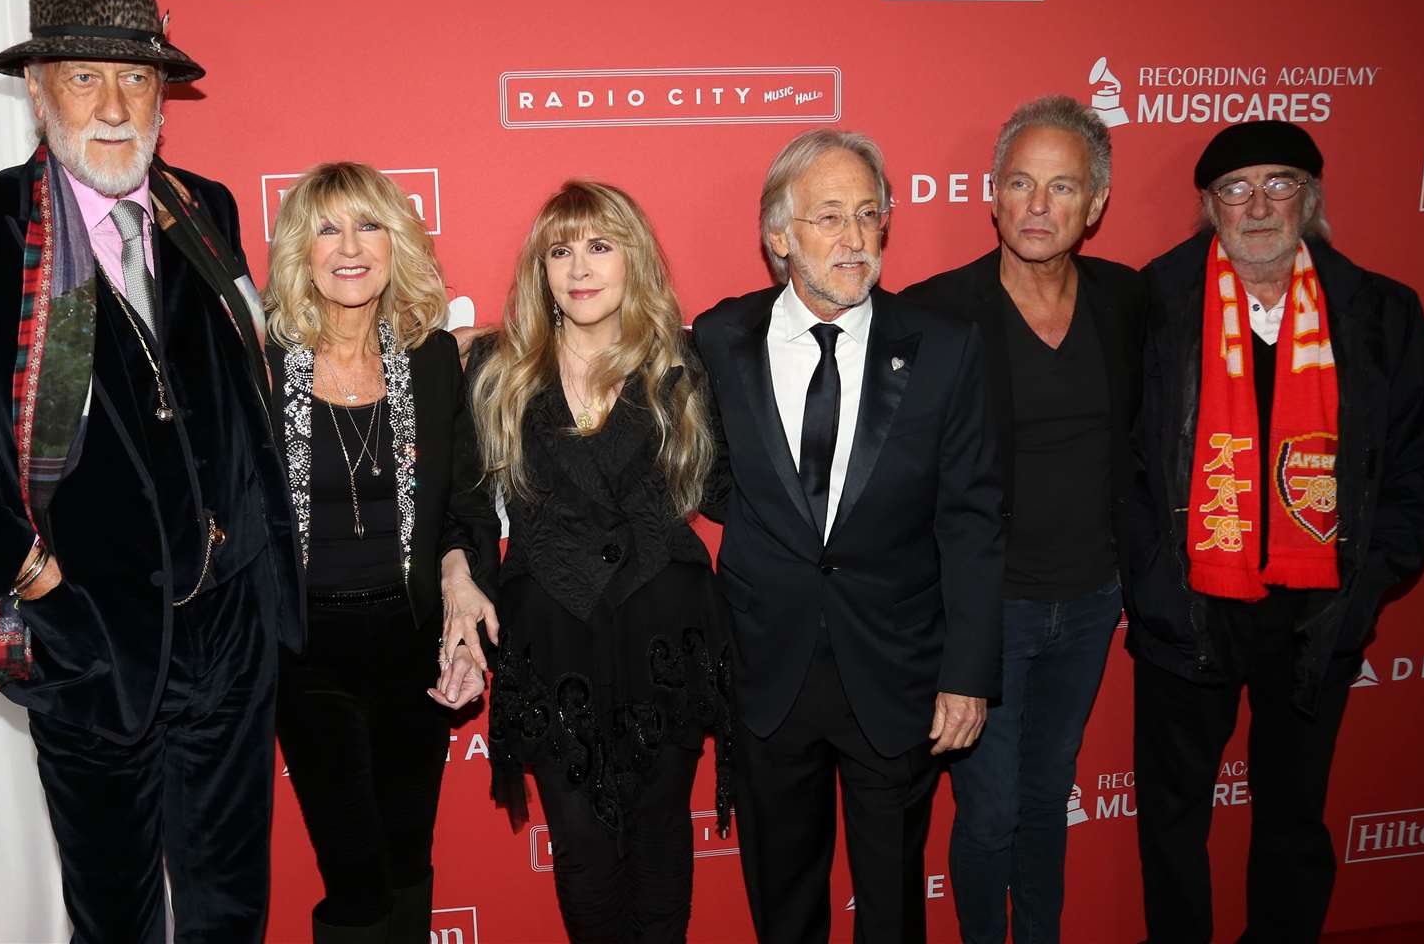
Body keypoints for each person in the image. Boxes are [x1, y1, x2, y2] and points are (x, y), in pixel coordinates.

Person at [0, 0, 300, 940]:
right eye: (85, 77)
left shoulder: (204, 211)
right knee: (118, 922)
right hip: (95, 643)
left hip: (229, 639)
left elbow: (232, 403)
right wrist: (25, 570)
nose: (114, 103)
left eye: (136, 78)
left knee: (232, 913)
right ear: (38, 90)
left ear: (164, 97)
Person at [1127, 119, 1424, 944]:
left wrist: (1370, 576)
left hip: (1316, 613)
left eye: (1281, 183)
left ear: (1311, 199)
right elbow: (1114, 460)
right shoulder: (1153, 304)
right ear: (1210, 207)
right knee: (1171, 823)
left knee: (1292, 821)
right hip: (1188, 606)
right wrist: (1151, 577)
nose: (1259, 205)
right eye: (1237, 188)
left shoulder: (1379, 314)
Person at [692, 129, 1004, 943]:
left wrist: (967, 674)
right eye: (829, 217)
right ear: (777, 236)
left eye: (869, 215)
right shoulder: (721, 340)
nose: (855, 238)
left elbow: (972, 519)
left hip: (897, 670)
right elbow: (709, 476)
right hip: (768, 669)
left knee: (894, 902)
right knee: (784, 898)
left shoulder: (942, 347)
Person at [903, 96, 1142, 944]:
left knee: (1048, 800)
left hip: (1089, 605)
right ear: (992, 195)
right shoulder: (933, 313)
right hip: (984, 613)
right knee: (991, 809)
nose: (1039, 206)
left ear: (1096, 204)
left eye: (1063, 187)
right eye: (1021, 184)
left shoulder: (1128, 302)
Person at [472, 180, 732, 943]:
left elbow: (728, 488)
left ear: (633, 259)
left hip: (663, 638)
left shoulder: (684, 362)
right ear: (540, 271)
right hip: (555, 644)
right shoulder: (496, 370)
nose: (579, 268)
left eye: (599, 246)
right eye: (560, 251)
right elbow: (459, 503)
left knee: (659, 845)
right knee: (582, 855)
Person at [262, 162, 501, 943]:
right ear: (300, 249)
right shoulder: (262, 366)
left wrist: (463, 587)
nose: (349, 247)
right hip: (305, 653)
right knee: (356, 879)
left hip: (409, 643)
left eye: (368, 225)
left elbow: (464, 506)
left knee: (407, 859)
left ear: (397, 243)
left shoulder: (429, 360)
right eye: (326, 228)